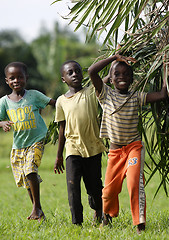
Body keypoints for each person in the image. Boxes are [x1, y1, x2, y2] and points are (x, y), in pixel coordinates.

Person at [88, 54, 167, 233]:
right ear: (111, 78)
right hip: (115, 153)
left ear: (132, 78)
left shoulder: (137, 96)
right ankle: (106, 215)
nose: (122, 77)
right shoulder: (105, 94)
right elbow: (92, 71)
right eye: (117, 74)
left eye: (126, 74)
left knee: (134, 183)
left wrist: (165, 65)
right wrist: (114, 57)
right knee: (108, 192)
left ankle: (140, 223)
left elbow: (163, 95)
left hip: (133, 148)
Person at [0, 61, 55, 221]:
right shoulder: (4, 102)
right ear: (7, 81)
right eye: (12, 78)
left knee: (30, 170)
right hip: (19, 145)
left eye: (20, 77)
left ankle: (36, 208)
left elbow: (54, 103)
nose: (16, 81)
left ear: (26, 78)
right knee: (26, 180)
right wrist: (3, 123)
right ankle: (38, 212)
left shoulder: (34, 95)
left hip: (37, 140)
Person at [54, 60, 106, 226]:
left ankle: (99, 211)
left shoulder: (91, 92)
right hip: (72, 148)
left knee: (95, 187)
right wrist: (59, 156)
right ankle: (77, 223)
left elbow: (108, 78)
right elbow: (62, 128)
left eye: (77, 71)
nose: (75, 74)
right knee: (73, 187)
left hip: (93, 147)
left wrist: (117, 56)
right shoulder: (61, 101)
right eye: (70, 72)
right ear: (64, 79)